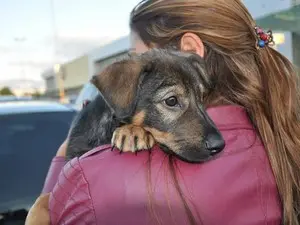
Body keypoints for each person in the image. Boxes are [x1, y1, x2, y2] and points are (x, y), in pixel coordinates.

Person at [28, 0, 300, 224]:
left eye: (139, 53)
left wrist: (62, 161)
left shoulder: (93, 181)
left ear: (190, 50)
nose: (134, 64)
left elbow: (52, 213)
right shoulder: (280, 137)